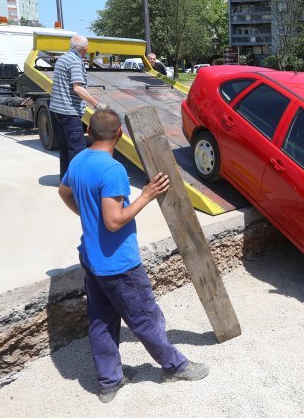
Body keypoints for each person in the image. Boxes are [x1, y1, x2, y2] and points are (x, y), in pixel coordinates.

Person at [58, 108, 209, 403]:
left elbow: (64, 193)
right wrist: (146, 195)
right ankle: (174, 366)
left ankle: (109, 382)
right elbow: (114, 221)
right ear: (120, 134)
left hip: (92, 258)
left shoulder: (79, 160)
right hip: (118, 265)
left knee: (101, 321)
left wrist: (88, 219)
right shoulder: (112, 170)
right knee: (145, 318)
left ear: (88, 132)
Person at [50, 35, 107, 180]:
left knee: (65, 148)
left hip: (57, 110)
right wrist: (97, 104)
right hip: (69, 111)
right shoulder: (75, 61)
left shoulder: (63, 58)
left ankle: (66, 180)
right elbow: (78, 88)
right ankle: (79, 184)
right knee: (78, 149)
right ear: (86, 48)